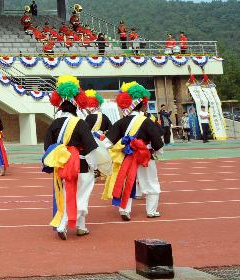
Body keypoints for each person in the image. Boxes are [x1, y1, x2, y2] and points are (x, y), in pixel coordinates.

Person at [43, 76, 98, 239]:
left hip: (61, 165)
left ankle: (81, 226)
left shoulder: (53, 124)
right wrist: (93, 166)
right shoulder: (80, 123)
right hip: (80, 165)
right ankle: (63, 224)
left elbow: (47, 148)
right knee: (81, 196)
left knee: (67, 194)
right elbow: (90, 148)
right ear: (76, 105)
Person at [102, 81, 164, 220]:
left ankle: (124, 210)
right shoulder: (148, 120)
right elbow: (158, 143)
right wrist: (158, 153)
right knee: (151, 183)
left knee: (126, 181)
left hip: (127, 156)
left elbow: (107, 142)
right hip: (145, 156)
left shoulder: (121, 122)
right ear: (142, 103)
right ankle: (151, 211)